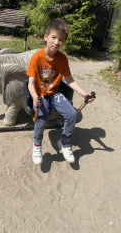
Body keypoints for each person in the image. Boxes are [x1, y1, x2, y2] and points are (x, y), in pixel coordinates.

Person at [26, 18, 95, 165]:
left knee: (71, 114)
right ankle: (37, 145)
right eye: (53, 37)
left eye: (61, 39)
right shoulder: (37, 57)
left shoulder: (63, 59)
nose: (57, 42)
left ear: (64, 41)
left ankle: (64, 142)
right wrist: (34, 97)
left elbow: (69, 80)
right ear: (45, 37)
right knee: (42, 117)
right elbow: (30, 83)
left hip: (55, 93)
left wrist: (84, 94)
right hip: (40, 95)